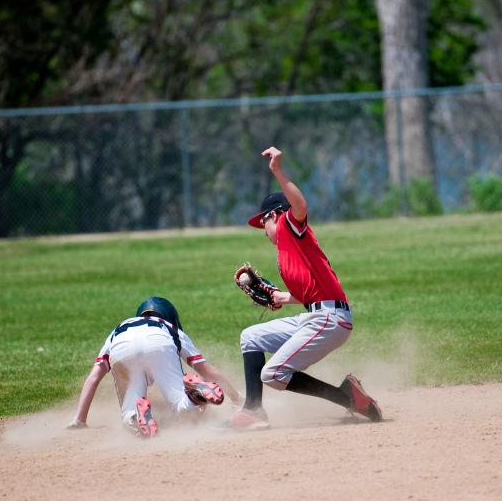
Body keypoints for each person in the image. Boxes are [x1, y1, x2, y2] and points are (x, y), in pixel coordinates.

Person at [227, 146, 382, 430]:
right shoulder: (289, 251)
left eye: (263, 222)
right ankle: (252, 409)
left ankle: (345, 397)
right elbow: (309, 293)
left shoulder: (290, 225)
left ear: (275, 215)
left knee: (272, 374)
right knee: (250, 337)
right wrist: (280, 298)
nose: (263, 230)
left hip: (330, 319)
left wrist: (277, 170)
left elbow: (300, 207)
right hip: (316, 315)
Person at [67, 296, 242, 437]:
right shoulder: (170, 327)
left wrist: (79, 419)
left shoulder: (119, 328)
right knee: (181, 406)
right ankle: (193, 396)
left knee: (128, 415)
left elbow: (94, 378)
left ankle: (136, 415)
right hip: (160, 343)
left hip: (122, 347)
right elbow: (206, 369)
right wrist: (236, 398)